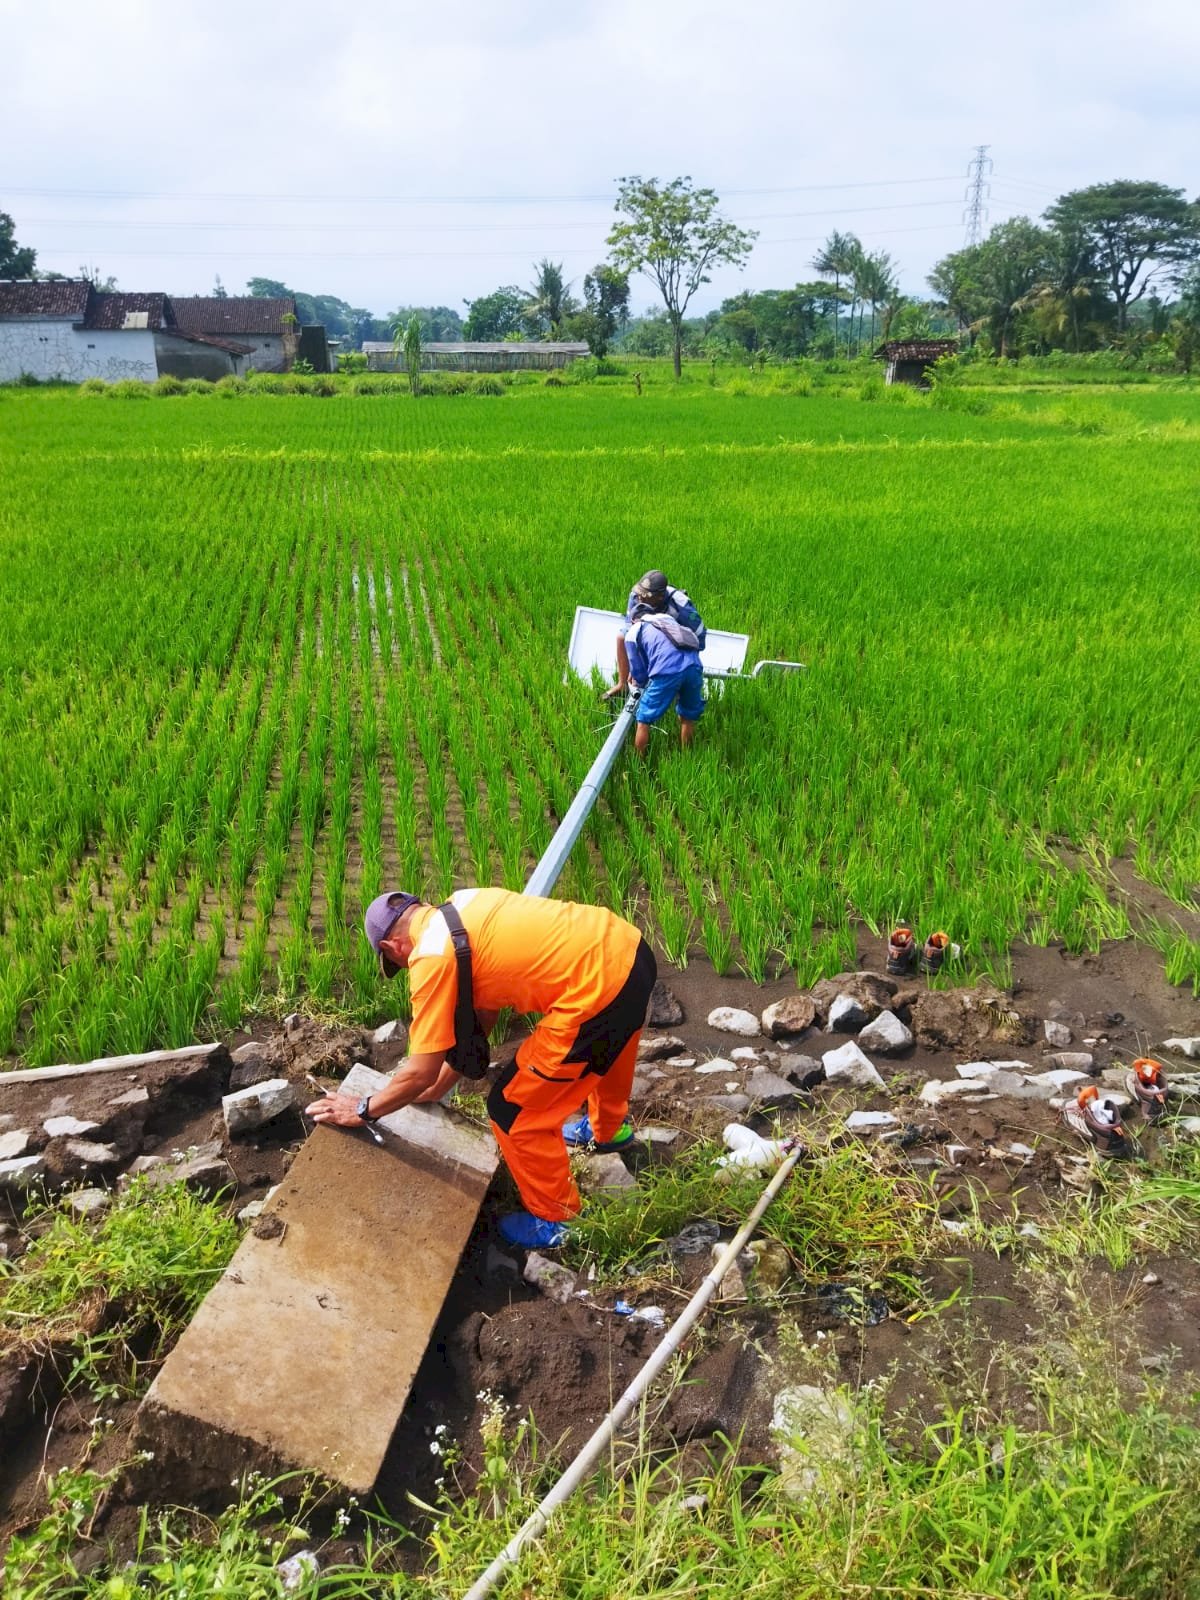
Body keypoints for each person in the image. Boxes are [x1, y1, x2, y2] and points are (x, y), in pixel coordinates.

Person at [306, 888, 656, 1249]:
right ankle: (607, 1130)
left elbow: (420, 1072)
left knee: (513, 1111)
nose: (405, 966)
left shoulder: (429, 957)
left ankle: (558, 1219)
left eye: (398, 963)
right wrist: (441, 1084)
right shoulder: (464, 904)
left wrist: (364, 1109)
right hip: (628, 949)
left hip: (599, 992)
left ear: (391, 946)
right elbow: (485, 1012)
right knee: (610, 1050)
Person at [603, 570, 706, 702]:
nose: (640, 598)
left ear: (660, 596)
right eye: (640, 593)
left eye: (645, 596)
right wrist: (634, 668)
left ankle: (675, 688)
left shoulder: (680, 604)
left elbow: (699, 635)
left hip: (673, 638)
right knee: (621, 637)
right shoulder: (636, 595)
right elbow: (631, 629)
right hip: (647, 634)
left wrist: (688, 660)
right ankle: (622, 684)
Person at [622, 599, 706, 756]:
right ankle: (687, 756)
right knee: (688, 715)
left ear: (633, 620)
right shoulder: (667, 620)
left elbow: (638, 671)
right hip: (694, 666)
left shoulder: (634, 630)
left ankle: (639, 763)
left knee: (643, 718)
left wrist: (640, 684)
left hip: (668, 671)